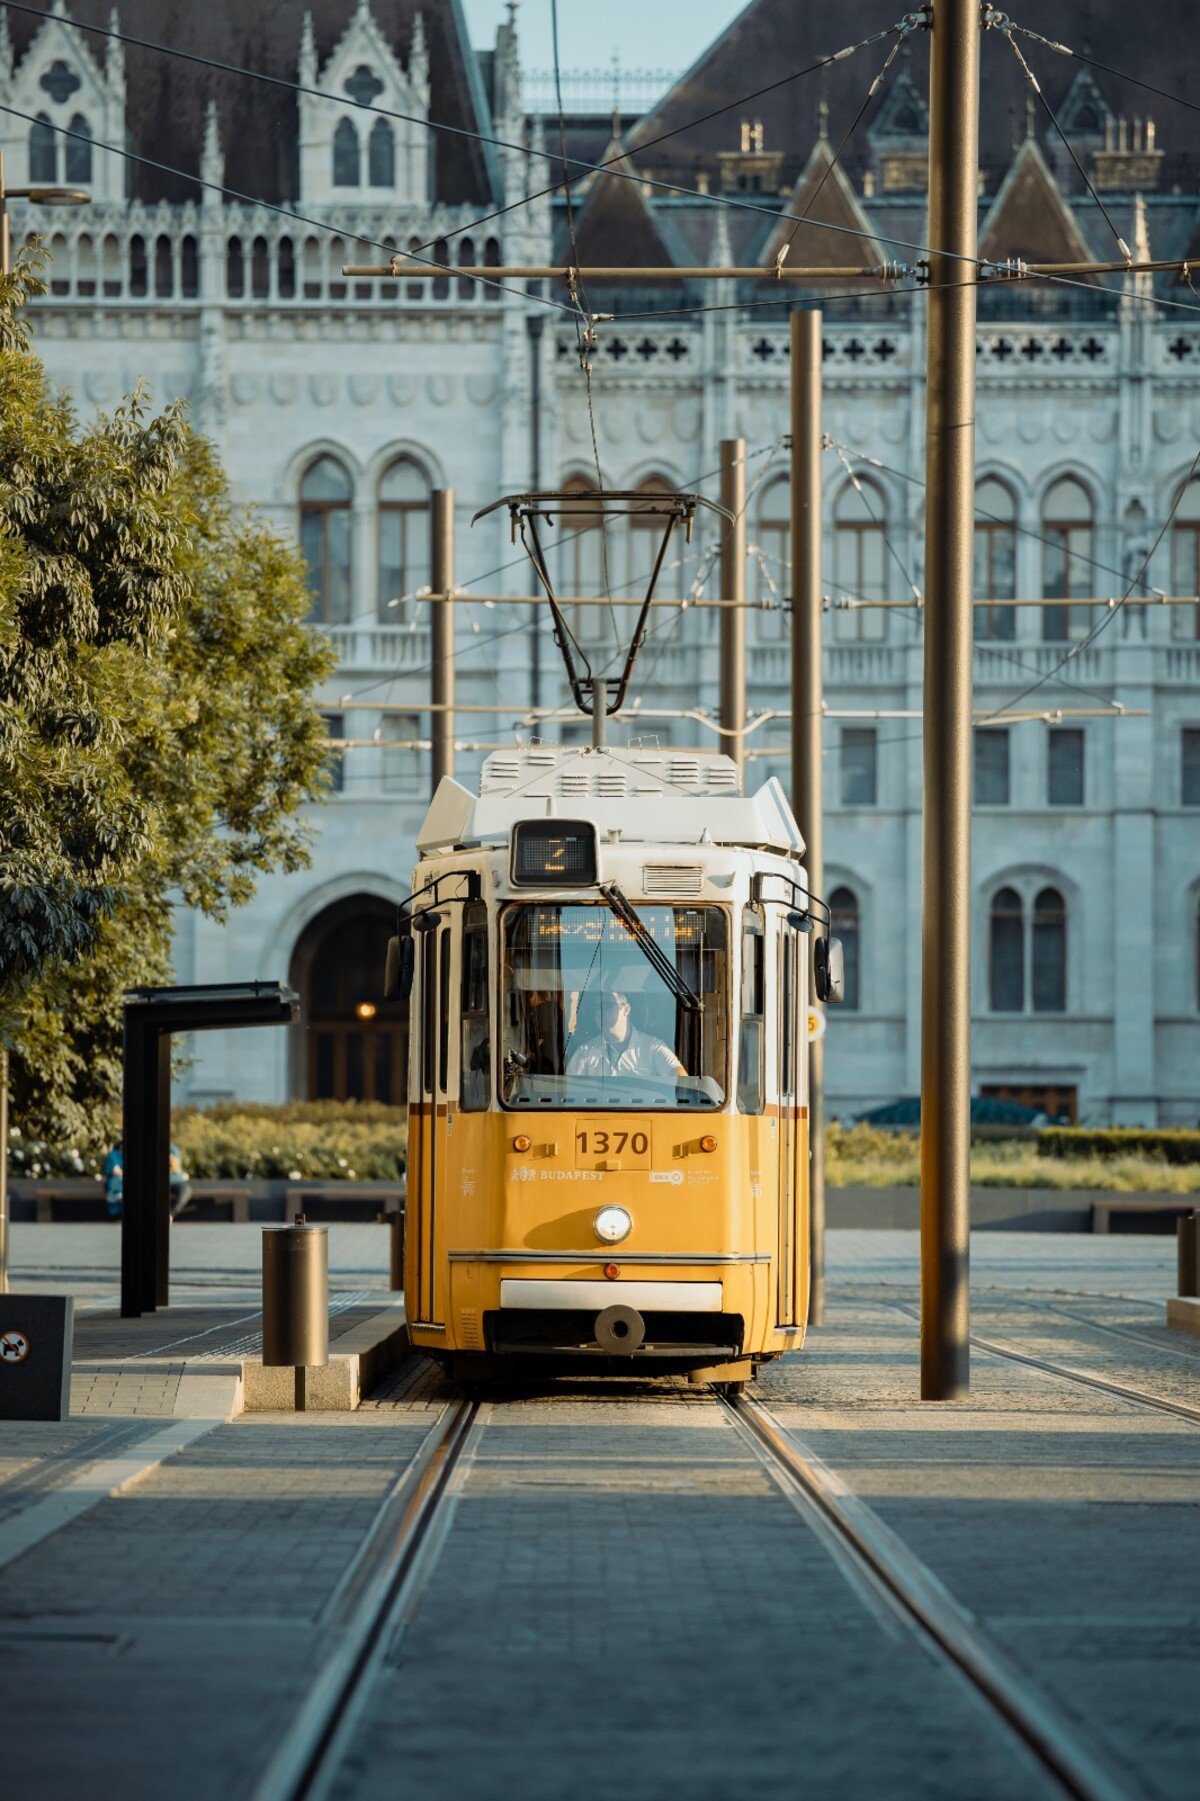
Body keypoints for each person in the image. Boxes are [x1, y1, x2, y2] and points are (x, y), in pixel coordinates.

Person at [567, 989, 687, 1082]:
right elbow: (568, 1092)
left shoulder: (652, 1047)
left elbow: (681, 1079)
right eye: (597, 1007)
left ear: (626, 1010)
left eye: (607, 1005)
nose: (600, 1011)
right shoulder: (584, 1052)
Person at [101, 1142, 192, 1221]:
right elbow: (116, 1171)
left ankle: (169, 1216)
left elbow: (176, 1169)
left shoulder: (172, 1149)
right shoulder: (115, 1155)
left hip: (169, 1182)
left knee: (185, 1190)